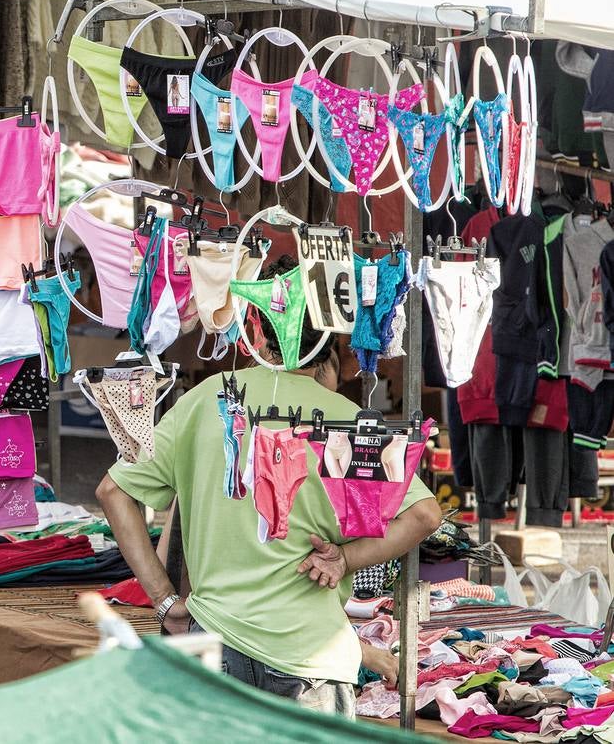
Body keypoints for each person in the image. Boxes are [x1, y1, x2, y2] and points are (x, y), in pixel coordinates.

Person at [96, 255, 442, 716]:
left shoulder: (208, 399)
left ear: (257, 331)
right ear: (328, 340)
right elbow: (424, 515)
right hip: (312, 659)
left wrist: (166, 602)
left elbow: (113, 491)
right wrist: (345, 558)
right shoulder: (348, 419)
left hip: (213, 642)